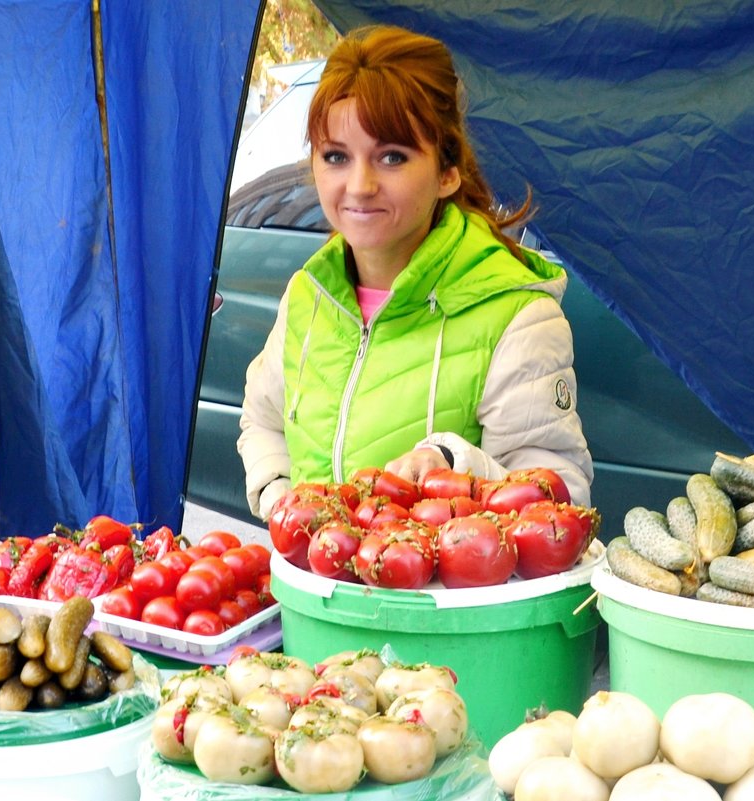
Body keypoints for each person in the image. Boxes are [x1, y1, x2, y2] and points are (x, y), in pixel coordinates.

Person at [238, 24, 592, 520]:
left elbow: (561, 494)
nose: (359, 185)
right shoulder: (308, 297)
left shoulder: (517, 315)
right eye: (336, 156)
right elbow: (261, 422)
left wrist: (452, 465)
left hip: (444, 599)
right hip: (314, 597)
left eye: (391, 157)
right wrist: (281, 503)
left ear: (448, 172)